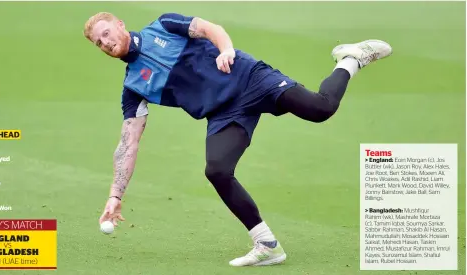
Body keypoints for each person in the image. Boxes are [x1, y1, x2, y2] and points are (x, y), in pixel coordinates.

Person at [84, 11, 392, 267]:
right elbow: (128, 142)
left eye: (107, 33)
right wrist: (115, 195)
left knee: (320, 108)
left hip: (249, 78)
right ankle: (267, 244)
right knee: (216, 170)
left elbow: (209, 29)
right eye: (100, 42)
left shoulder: (163, 26)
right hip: (224, 114)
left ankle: (351, 59)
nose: (106, 43)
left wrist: (227, 49)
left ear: (120, 24)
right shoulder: (134, 87)